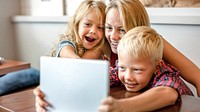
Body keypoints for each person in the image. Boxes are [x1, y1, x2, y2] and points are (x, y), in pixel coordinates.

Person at [34, 0, 200, 111]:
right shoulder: (106, 45)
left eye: (122, 29)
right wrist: (50, 91)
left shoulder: (154, 52)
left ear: (137, 28)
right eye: (107, 27)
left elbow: (176, 88)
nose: (113, 36)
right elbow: (81, 74)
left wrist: (121, 106)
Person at [98, 26, 194, 112]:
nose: (128, 77)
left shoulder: (166, 74)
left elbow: (168, 94)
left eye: (137, 70)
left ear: (157, 66)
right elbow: (102, 76)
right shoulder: (125, 69)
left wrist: (121, 106)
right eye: (122, 68)